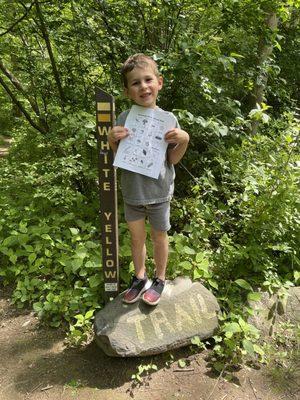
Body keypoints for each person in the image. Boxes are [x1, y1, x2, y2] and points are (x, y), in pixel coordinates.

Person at [108, 53, 189, 306]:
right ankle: (140, 277)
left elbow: (172, 159)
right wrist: (112, 140)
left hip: (159, 193)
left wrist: (184, 140)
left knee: (159, 237)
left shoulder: (169, 120)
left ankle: (160, 279)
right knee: (136, 239)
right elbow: (120, 156)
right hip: (132, 193)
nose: (143, 86)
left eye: (148, 79)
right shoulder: (123, 118)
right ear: (127, 91)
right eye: (135, 83)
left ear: (159, 83)